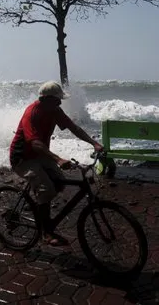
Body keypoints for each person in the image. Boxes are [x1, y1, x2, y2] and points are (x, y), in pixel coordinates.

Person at [9, 81, 104, 245]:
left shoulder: (55, 110)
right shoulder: (32, 112)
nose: (60, 102)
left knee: (59, 185)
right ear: (45, 99)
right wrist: (58, 159)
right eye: (57, 100)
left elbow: (73, 128)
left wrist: (93, 143)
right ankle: (46, 232)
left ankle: (39, 203)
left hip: (41, 155)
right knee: (47, 190)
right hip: (22, 158)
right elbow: (35, 144)